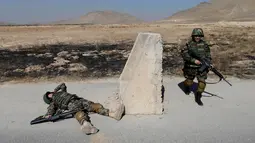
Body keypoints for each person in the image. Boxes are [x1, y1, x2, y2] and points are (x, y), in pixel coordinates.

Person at [42, 83, 125, 135]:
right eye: (48, 95)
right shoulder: (53, 102)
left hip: (79, 99)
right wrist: (48, 115)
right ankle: (86, 125)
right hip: (70, 104)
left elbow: (63, 84)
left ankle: (113, 114)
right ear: (49, 99)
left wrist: (55, 90)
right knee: (80, 113)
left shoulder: (61, 92)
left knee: (94, 106)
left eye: (49, 93)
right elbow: (51, 109)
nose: (50, 94)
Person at [181, 28, 212, 106]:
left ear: (201, 36)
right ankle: (186, 86)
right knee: (189, 81)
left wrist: (208, 62)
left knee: (202, 83)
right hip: (191, 67)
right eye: (196, 35)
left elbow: (208, 54)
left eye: (199, 35)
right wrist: (193, 60)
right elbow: (185, 55)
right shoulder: (189, 44)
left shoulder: (205, 45)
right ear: (193, 36)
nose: (197, 37)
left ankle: (198, 96)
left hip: (202, 67)